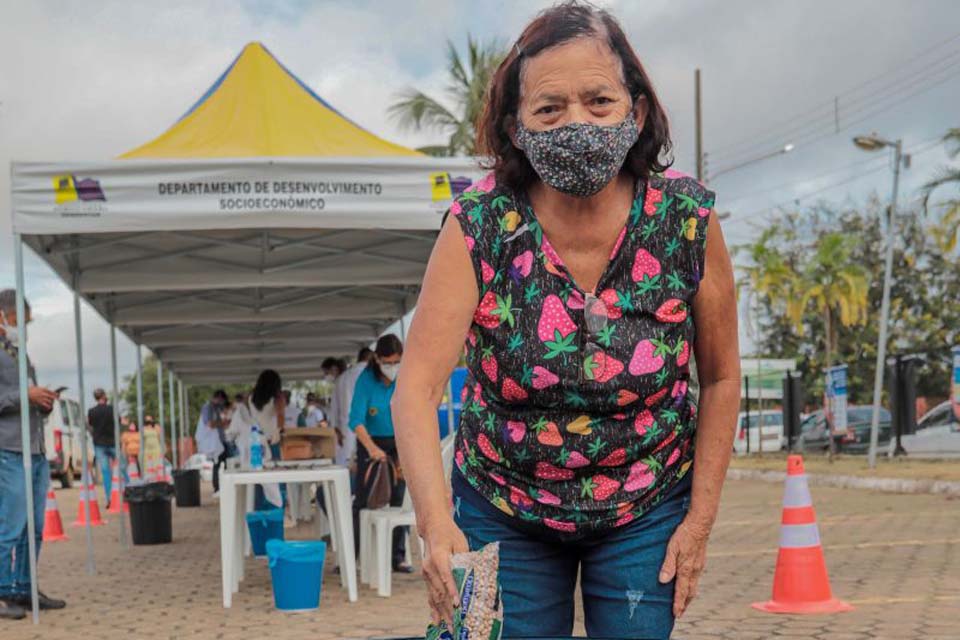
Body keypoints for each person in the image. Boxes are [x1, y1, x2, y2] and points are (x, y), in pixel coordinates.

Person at [391, 5, 740, 638]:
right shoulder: (477, 225)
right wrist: (437, 526)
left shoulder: (687, 221)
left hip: (644, 504)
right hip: (498, 503)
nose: (576, 122)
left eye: (599, 101)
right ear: (516, 128)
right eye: (549, 109)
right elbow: (414, 390)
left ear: (635, 113)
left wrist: (699, 521)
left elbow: (719, 380)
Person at [0, 290, 66, 620]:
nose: (23, 328)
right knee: (10, 526)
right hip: (9, 449)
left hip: (35, 448)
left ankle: (23, 587)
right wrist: (23, 394)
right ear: (2, 317)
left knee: (34, 527)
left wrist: (41, 401)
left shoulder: (19, 353)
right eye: (18, 322)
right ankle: (2, 591)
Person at [349, 335, 412, 573]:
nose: (392, 367)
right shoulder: (365, 381)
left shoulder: (404, 376)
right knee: (365, 500)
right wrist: (372, 449)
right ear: (377, 359)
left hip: (399, 441)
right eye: (388, 362)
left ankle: (397, 556)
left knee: (400, 498)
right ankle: (355, 554)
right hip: (372, 443)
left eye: (397, 361)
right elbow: (356, 420)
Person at [329, 348, 373, 467]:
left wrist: (336, 429)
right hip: (369, 427)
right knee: (369, 463)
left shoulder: (342, 378)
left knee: (348, 464)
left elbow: (333, 408)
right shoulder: (372, 374)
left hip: (346, 429)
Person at [87, 388, 116, 504]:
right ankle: (127, 493)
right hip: (112, 442)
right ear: (104, 396)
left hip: (99, 444)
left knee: (105, 472)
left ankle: (110, 498)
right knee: (121, 469)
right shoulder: (111, 409)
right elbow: (117, 422)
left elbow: (90, 425)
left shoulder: (91, 411)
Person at [197, 390, 228, 496]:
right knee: (217, 464)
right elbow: (210, 424)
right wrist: (222, 423)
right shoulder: (208, 408)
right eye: (222, 400)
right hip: (214, 442)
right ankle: (217, 488)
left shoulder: (217, 408)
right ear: (218, 397)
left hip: (220, 440)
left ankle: (224, 486)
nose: (222, 403)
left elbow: (221, 422)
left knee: (226, 463)